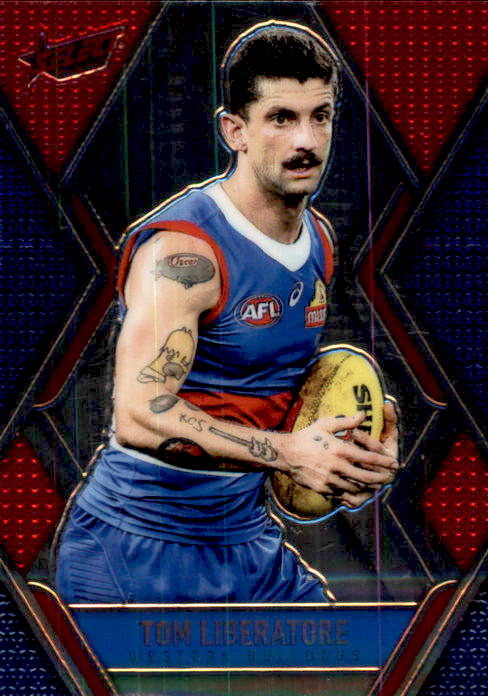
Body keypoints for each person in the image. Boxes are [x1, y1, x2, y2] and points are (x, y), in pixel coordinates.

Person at [55, 20, 399, 605]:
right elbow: (139, 412)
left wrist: (358, 452)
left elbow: (271, 392)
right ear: (233, 130)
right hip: (135, 550)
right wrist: (290, 453)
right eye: (281, 118)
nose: (306, 141)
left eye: (320, 116)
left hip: (246, 538)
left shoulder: (317, 240)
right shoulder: (184, 253)